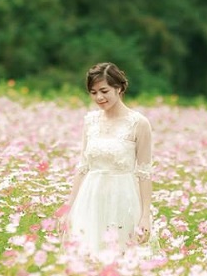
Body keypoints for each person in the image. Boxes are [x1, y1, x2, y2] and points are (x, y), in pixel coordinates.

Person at [60, 62, 154, 255]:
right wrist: (69, 208)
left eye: (104, 91)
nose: (99, 97)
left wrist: (145, 216)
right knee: (87, 255)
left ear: (118, 88)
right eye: (93, 92)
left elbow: (144, 173)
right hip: (90, 197)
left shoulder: (139, 124)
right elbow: (83, 167)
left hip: (123, 197)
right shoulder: (91, 122)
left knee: (122, 256)